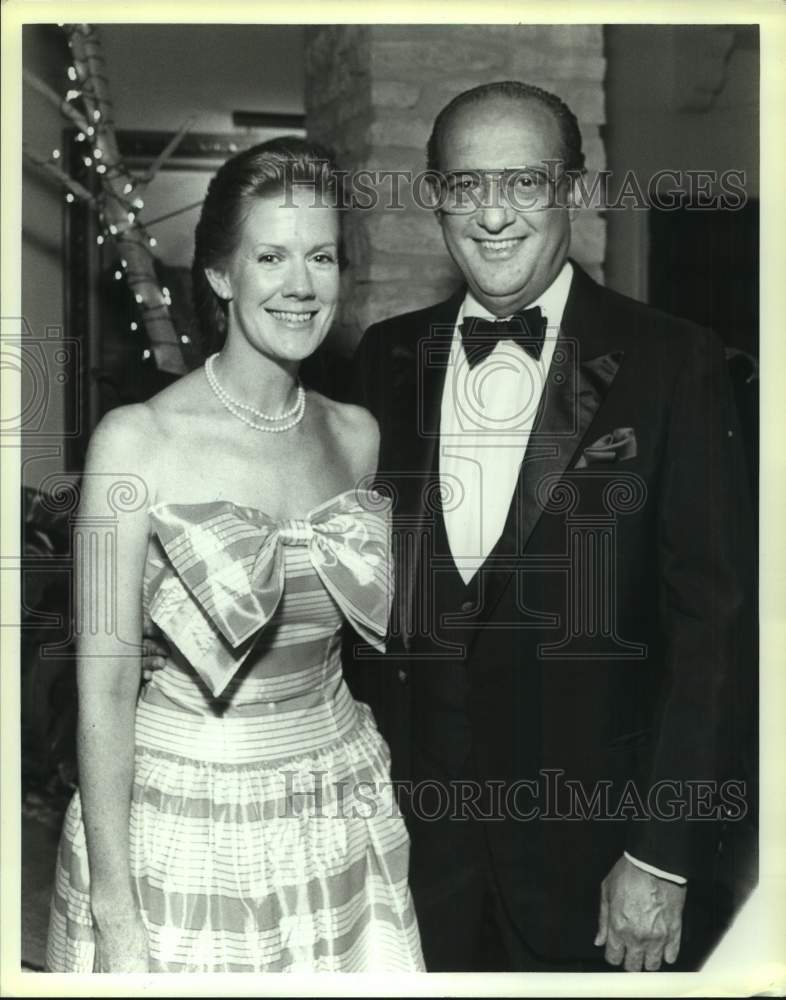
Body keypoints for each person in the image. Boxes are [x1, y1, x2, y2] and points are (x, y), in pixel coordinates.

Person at [344, 81, 754, 972]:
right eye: (464, 185)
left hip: (600, 866)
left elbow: (713, 633)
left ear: (574, 188)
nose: (493, 214)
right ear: (436, 197)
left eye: (524, 181)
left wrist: (662, 854)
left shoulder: (676, 361)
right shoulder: (385, 358)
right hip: (413, 862)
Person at [45, 138, 424, 973]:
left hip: (338, 805)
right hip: (185, 820)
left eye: (321, 256)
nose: (301, 285)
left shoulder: (356, 437)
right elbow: (104, 684)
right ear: (221, 275)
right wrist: (117, 912)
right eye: (271, 256)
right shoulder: (135, 442)